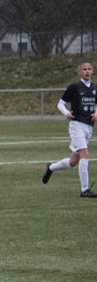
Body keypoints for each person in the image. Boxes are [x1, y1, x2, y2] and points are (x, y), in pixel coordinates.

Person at [42, 61, 97, 197]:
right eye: (84, 69)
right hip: (76, 125)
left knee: (73, 162)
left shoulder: (95, 88)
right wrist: (67, 113)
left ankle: (51, 167)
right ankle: (84, 190)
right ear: (79, 72)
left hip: (89, 127)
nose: (87, 71)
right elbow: (60, 104)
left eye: (89, 69)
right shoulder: (74, 87)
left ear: (92, 71)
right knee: (85, 155)